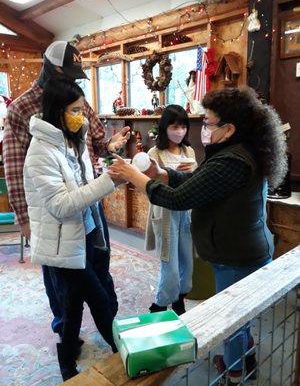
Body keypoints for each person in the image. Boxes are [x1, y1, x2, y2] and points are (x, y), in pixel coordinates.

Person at [108, 87, 287, 385]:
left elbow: (178, 199)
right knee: (241, 312)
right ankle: (246, 353)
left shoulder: (231, 160)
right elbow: (198, 182)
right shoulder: (239, 151)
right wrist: (161, 173)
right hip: (246, 249)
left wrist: (132, 175)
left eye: (209, 122)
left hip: (237, 256)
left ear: (229, 128)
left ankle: (235, 371)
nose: (203, 127)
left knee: (232, 319)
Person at [3, 41, 129, 338]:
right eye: (67, 73)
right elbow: (13, 164)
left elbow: (96, 138)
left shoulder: (77, 98)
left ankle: (111, 324)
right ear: (50, 67)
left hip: (88, 201)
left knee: (99, 263)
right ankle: (66, 332)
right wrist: (24, 218)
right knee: (61, 278)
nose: (72, 80)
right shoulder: (22, 108)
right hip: (53, 209)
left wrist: (111, 145)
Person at [24, 78, 119, 381]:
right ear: (57, 111)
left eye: (82, 110)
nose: (82, 116)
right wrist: (109, 183)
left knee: (73, 303)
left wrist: (104, 177)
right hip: (61, 245)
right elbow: (62, 205)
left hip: (85, 234)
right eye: (75, 110)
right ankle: (123, 350)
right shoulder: (40, 152)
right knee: (99, 298)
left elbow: (82, 188)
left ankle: (66, 358)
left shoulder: (72, 141)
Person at [145, 105, 197, 315]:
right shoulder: (154, 153)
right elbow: (149, 187)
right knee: (170, 265)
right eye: (175, 126)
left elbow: (195, 182)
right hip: (165, 213)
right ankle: (159, 304)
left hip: (186, 212)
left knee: (187, 262)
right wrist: (170, 175)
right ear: (165, 127)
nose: (180, 131)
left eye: (184, 126)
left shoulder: (189, 151)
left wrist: (192, 171)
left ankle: (179, 298)